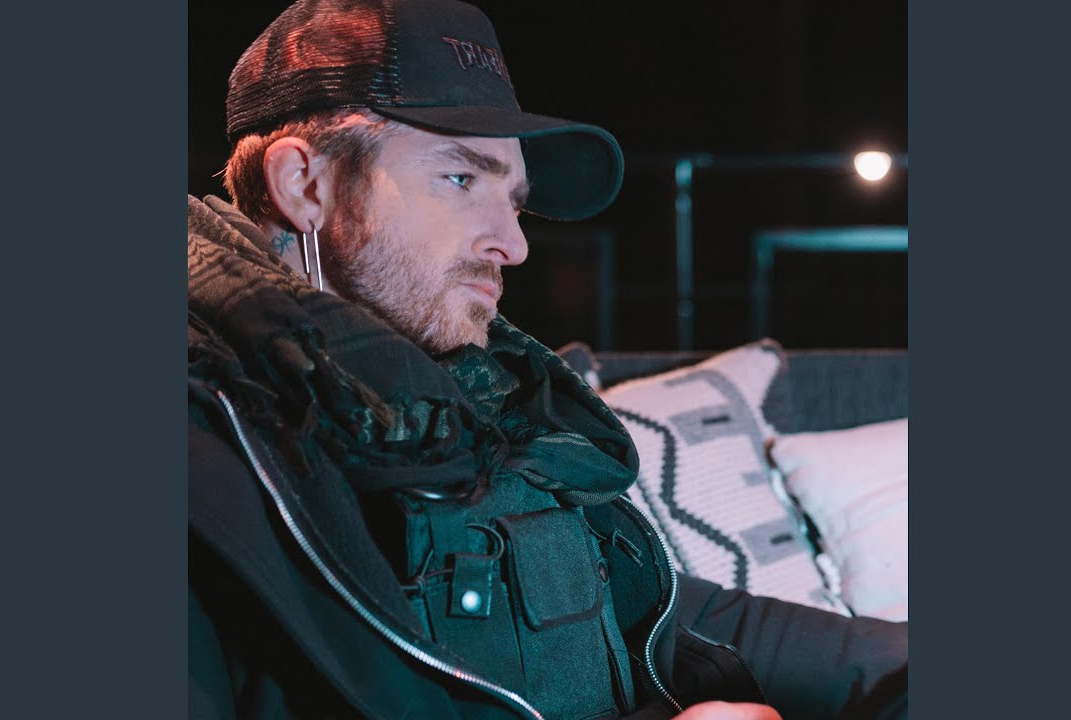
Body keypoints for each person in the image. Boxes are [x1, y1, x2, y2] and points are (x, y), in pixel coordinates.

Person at [188, 1, 907, 718]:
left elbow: (659, 609)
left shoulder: (479, 403)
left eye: (516, 202)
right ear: (304, 185)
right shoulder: (207, 448)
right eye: (461, 180)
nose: (514, 244)